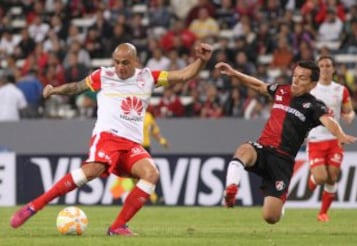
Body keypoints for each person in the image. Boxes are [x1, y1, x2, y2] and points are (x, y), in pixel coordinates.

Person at [10, 42, 213, 235]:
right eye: (116, 62)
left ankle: (117, 227)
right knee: (93, 170)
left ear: (136, 62)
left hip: (131, 143)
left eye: (125, 62)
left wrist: (202, 61)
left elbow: (185, 75)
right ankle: (34, 206)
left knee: (151, 174)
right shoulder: (104, 75)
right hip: (108, 136)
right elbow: (76, 87)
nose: (119, 67)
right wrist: (54, 90)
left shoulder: (149, 77)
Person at [215, 60, 357, 224]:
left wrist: (340, 135)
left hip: (283, 161)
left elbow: (328, 121)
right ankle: (231, 189)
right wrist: (234, 72)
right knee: (244, 150)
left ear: (312, 84)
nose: (295, 80)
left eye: (302, 78)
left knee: (270, 217)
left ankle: (280, 204)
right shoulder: (281, 90)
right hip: (263, 149)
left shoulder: (314, 106)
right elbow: (258, 85)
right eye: (295, 76)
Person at [306, 56, 355, 222]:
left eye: (328, 65)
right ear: (318, 69)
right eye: (322, 66)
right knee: (321, 177)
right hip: (315, 138)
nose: (325, 68)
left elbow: (349, 110)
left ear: (333, 69)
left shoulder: (341, 90)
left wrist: (349, 115)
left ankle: (323, 213)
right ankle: (312, 180)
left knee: (332, 176)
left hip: (335, 139)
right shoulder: (311, 90)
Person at [110, 106, 169, 202]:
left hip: (144, 148)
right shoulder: (130, 115)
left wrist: (162, 140)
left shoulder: (148, 116)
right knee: (134, 173)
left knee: (144, 173)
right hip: (134, 146)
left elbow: (154, 131)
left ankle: (147, 197)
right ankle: (147, 197)